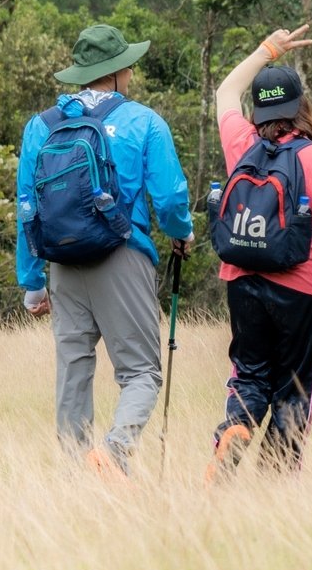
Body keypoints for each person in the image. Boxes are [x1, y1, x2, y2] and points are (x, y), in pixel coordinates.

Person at [16, 24, 193, 479]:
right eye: (127, 66)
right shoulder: (143, 121)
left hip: (62, 263)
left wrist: (32, 282)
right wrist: (181, 232)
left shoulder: (41, 126)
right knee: (141, 373)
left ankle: (77, 474)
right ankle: (115, 452)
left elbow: (27, 207)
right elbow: (169, 198)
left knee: (73, 373)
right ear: (116, 72)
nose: (131, 73)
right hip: (123, 253)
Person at [204, 24, 312, 482]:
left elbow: (225, 91)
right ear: (301, 108)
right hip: (301, 287)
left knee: (250, 375)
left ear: (259, 110)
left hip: (241, 278)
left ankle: (235, 427)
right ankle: (275, 481)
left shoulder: (241, 144)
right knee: (294, 389)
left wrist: (267, 49)